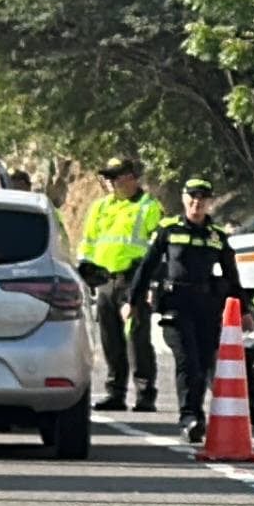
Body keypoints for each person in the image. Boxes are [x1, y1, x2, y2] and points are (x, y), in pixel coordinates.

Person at [129, 178, 247, 445]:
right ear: (184, 199)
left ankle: (197, 415)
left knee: (204, 364)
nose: (197, 203)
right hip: (175, 304)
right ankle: (188, 418)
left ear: (209, 202)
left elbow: (231, 275)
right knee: (188, 361)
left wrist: (245, 310)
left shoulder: (217, 236)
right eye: (192, 197)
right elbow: (146, 267)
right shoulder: (168, 230)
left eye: (203, 198)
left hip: (205, 307)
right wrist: (133, 300)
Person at [77, 158, 162, 413]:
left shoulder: (149, 208)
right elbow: (89, 242)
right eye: (109, 177)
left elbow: (157, 250)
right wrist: (86, 270)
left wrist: (149, 284)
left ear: (132, 177)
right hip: (104, 280)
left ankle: (145, 393)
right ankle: (115, 392)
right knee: (110, 339)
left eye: (116, 176)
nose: (111, 182)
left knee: (137, 338)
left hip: (132, 279)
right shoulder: (100, 207)